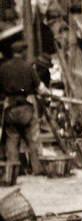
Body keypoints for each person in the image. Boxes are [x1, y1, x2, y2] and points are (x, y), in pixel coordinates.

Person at [0, 40, 46, 183]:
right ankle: (37, 169)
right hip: (26, 108)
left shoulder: (3, 68)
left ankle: (14, 172)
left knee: (12, 140)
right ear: (23, 52)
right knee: (33, 139)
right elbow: (41, 89)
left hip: (10, 109)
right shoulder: (28, 67)